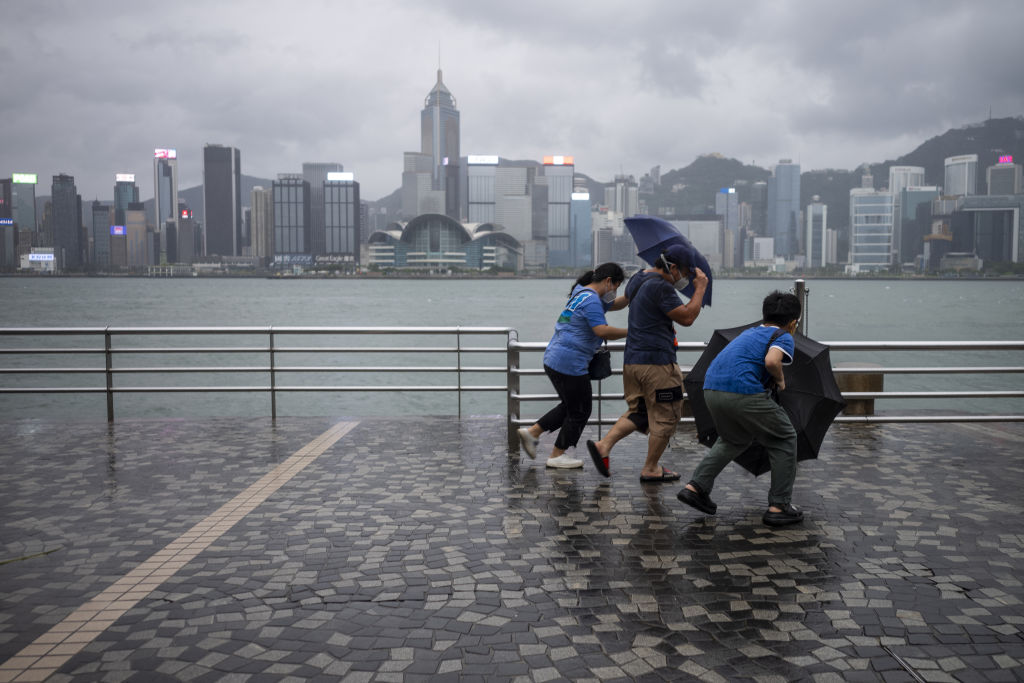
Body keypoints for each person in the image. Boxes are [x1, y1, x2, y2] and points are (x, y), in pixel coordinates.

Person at [676, 291, 804, 527]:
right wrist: (781, 379)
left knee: (733, 439)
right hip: (742, 391)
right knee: (785, 436)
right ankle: (779, 505)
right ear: (794, 322)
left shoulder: (751, 333)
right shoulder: (783, 335)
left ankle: (696, 487)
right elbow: (772, 362)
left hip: (711, 389)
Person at [585, 244, 708, 481]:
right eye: (685, 272)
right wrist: (700, 288)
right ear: (672, 267)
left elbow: (625, 302)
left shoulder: (639, 278)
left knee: (640, 411)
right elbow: (687, 317)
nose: (686, 278)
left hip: (633, 362)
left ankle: (604, 446)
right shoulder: (661, 288)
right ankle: (651, 468)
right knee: (667, 415)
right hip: (657, 364)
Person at [517, 263, 629, 468]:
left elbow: (616, 304)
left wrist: (632, 294)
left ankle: (532, 433)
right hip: (570, 363)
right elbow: (602, 331)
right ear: (608, 282)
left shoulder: (581, 293)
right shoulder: (592, 301)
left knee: (570, 406)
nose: (615, 292)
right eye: (616, 287)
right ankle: (557, 455)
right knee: (580, 410)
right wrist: (631, 332)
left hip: (555, 358)